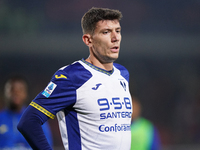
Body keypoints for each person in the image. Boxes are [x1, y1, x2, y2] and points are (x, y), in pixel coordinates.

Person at [17, 7, 132, 150]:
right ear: (88, 40)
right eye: (106, 32)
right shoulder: (71, 76)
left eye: (118, 30)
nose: (115, 37)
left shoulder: (122, 73)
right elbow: (29, 121)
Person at [0, 75, 53, 149]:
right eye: (12, 90)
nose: (16, 93)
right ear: (4, 93)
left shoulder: (36, 119)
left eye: (20, 90)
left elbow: (47, 145)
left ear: (26, 94)